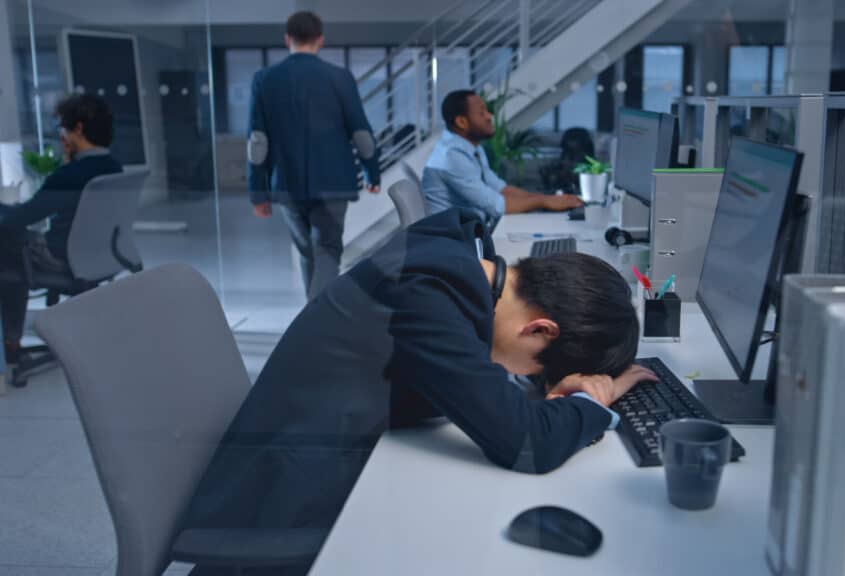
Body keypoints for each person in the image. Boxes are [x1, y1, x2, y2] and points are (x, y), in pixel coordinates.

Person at [181, 208, 653, 574]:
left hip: (317, 453)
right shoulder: (429, 297)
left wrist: (548, 391)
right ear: (541, 329)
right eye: (535, 372)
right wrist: (592, 403)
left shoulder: (460, 262)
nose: (527, 379)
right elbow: (525, 443)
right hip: (286, 504)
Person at [248, 10, 381, 300]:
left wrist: (258, 191)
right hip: (334, 183)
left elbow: (257, 141)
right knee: (328, 249)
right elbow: (361, 133)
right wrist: (373, 172)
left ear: (287, 39)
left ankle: (312, 317)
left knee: (307, 251)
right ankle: (319, 320)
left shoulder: (265, 79)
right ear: (320, 39)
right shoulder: (340, 78)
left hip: (287, 184)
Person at [0, 94, 122, 364]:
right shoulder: (113, 167)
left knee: (7, 248)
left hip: (60, 258)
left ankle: (9, 343)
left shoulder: (71, 176)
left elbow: (20, 217)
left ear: (77, 129)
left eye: (61, 129)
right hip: (98, 255)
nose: (60, 136)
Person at [423, 90, 583, 229]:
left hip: (471, 229)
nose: (489, 116)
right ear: (461, 122)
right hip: (455, 238)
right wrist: (543, 201)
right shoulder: (451, 156)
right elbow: (496, 205)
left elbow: (501, 189)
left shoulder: (471, 147)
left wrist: (549, 200)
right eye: (481, 112)